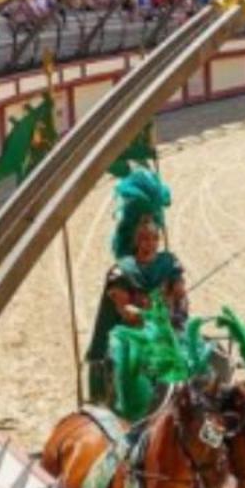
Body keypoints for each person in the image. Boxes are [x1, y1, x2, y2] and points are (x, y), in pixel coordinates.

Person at [84, 169, 188, 410]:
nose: (149, 244)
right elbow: (125, 311)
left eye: (153, 239)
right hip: (133, 337)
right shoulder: (121, 272)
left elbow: (181, 297)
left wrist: (175, 315)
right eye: (144, 239)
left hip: (169, 332)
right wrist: (147, 316)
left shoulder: (169, 265)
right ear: (133, 240)